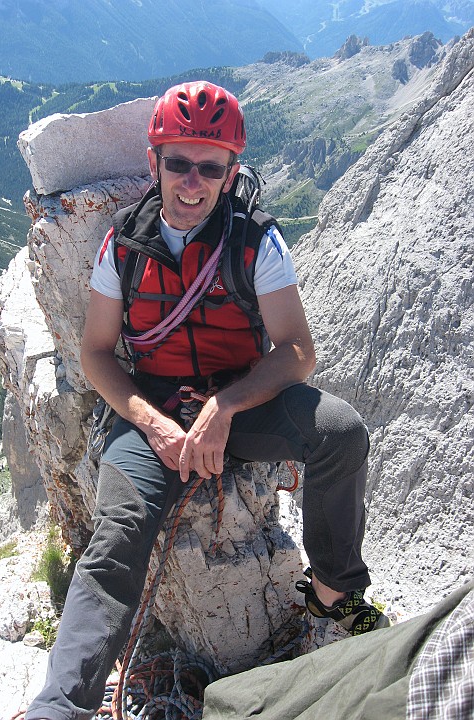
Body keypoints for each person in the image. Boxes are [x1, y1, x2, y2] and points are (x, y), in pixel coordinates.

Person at [26, 81, 388, 720]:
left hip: (238, 401)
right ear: (154, 162)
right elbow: (96, 354)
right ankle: (59, 706)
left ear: (230, 173)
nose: (192, 182)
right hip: (151, 409)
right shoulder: (124, 243)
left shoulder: (255, 242)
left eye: (210, 167)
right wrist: (153, 424)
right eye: (178, 163)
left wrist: (224, 410)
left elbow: (297, 352)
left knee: (341, 433)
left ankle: (333, 596)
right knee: (120, 534)